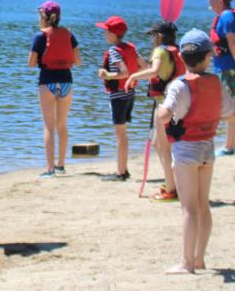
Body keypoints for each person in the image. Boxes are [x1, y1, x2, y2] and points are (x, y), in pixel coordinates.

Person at [155, 29, 235, 274]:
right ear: (208, 56)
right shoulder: (216, 83)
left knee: (188, 207)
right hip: (207, 148)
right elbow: (230, 114)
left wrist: (160, 112)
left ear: (181, 56)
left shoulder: (179, 86)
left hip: (186, 149)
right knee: (203, 205)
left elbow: (166, 113)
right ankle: (199, 258)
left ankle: (187, 262)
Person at [125, 20, 184, 200]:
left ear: (159, 36)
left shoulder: (160, 51)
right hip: (179, 102)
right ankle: (171, 183)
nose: (151, 39)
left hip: (164, 103)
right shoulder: (178, 50)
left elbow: (155, 70)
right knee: (161, 144)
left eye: (152, 35)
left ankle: (172, 189)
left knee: (163, 146)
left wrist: (133, 76)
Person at [28, 0, 81, 177]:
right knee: (62, 125)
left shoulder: (39, 37)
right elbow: (78, 61)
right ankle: (61, 165)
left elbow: (31, 63)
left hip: (47, 81)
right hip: (66, 81)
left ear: (43, 17)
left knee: (48, 126)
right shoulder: (69, 35)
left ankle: (50, 169)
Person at [96, 15, 147, 181]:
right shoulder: (131, 47)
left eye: (106, 31)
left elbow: (123, 72)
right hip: (130, 94)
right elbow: (144, 66)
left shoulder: (114, 51)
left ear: (112, 34)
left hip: (118, 96)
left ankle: (121, 172)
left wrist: (107, 74)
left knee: (120, 135)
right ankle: (123, 169)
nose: (104, 34)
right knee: (123, 134)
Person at [205, 0, 235, 156]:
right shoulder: (225, 16)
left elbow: (232, 42)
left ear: (221, 1)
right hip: (224, 67)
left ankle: (229, 147)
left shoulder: (227, 17)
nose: (209, 1)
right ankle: (230, 145)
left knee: (229, 107)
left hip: (229, 69)